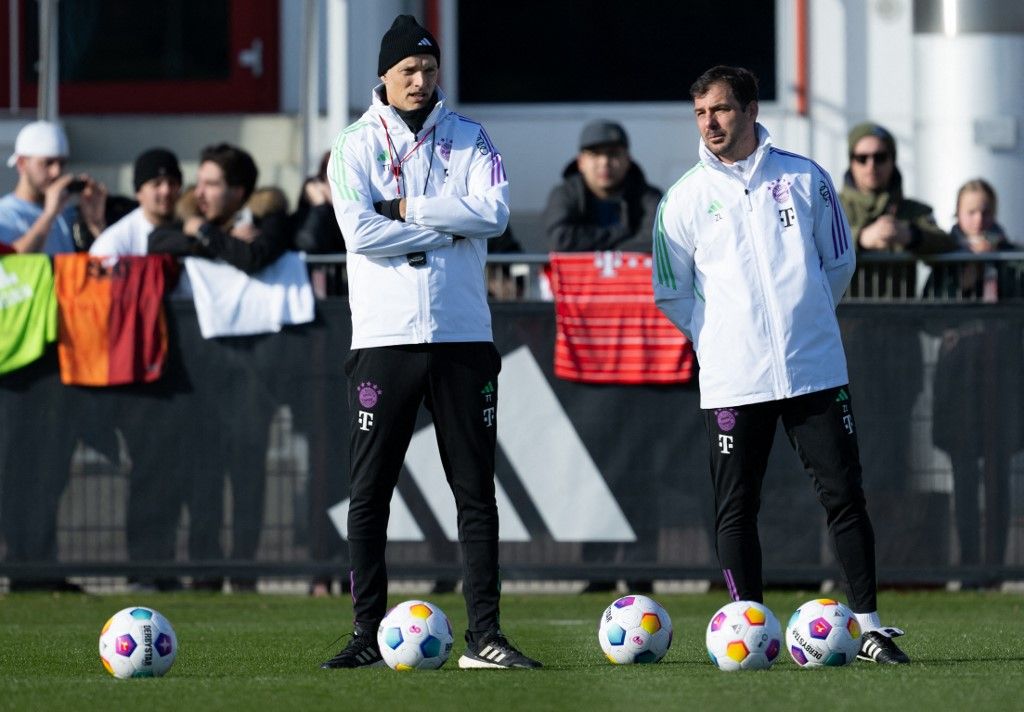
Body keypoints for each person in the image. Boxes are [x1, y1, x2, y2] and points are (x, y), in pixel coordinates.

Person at [652, 65, 910, 664]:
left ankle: (869, 626)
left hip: (814, 370)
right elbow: (671, 291)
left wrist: (806, 321)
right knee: (737, 507)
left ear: (751, 109)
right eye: (700, 113)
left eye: (719, 109)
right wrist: (719, 340)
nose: (709, 123)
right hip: (732, 380)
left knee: (844, 495)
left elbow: (838, 264)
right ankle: (749, 629)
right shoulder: (683, 198)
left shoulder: (805, 177)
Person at [321, 14, 540, 670]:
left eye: (428, 69)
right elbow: (359, 233)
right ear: (383, 77)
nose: (420, 81)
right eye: (407, 71)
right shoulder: (353, 145)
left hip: (462, 335)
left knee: (474, 491)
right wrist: (448, 226)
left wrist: (409, 210)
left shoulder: (471, 137)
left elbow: (495, 215)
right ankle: (365, 633)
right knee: (370, 492)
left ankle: (486, 636)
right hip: (385, 341)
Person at [927, 179, 1022, 577]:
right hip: (959, 384)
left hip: (1002, 382)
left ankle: (996, 566)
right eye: (971, 212)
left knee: (998, 477)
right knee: (964, 479)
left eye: (985, 211)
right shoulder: (946, 260)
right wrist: (966, 276)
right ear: (958, 215)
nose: (978, 219)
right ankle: (968, 567)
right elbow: (929, 317)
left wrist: (993, 267)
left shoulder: (1012, 257)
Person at [543, 120, 662, 252]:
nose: (604, 162)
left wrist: (605, 253)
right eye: (595, 154)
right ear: (581, 162)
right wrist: (622, 234)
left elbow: (656, 241)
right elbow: (559, 240)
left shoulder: (650, 197)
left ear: (628, 160)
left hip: (632, 273)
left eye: (613, 154)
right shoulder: (564, 193)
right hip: (576, 273)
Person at [0, 120, 106, 254]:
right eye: (47, 163)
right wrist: (49, 215)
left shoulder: (66, 213)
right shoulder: (5, 214)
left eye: (61, 163)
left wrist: (95, 222)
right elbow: (10, 263)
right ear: (22, 163)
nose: (56, 171)